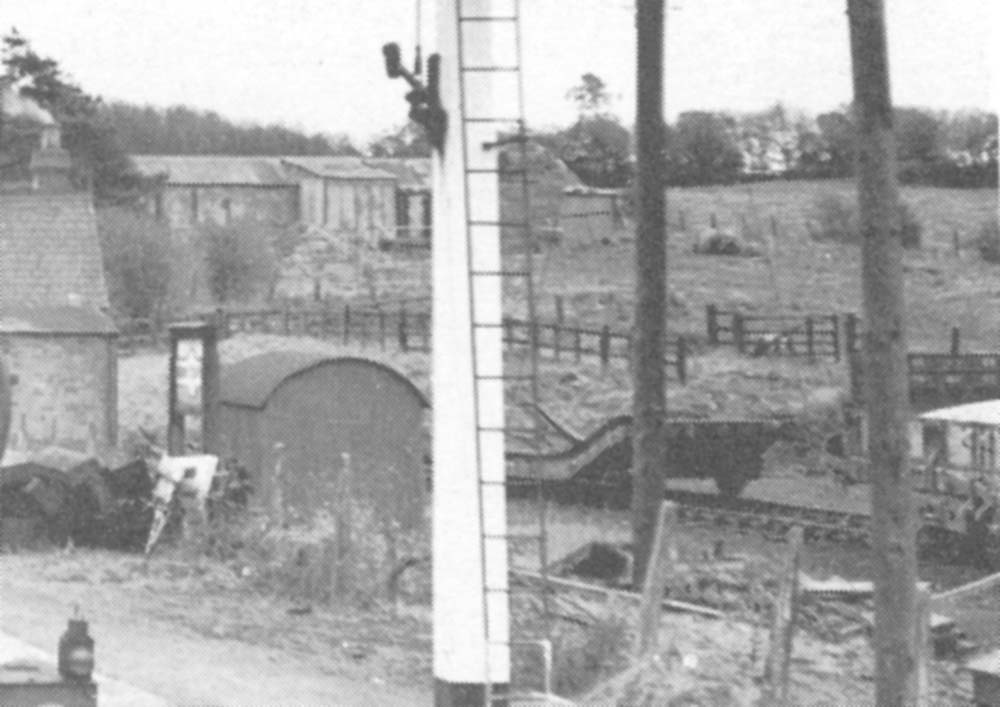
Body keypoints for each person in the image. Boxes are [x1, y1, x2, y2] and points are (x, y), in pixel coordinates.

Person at [961, 477, 997, 569]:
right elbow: (971, 501)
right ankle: (978, 562)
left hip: (984, 517)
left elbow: (989, 502)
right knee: (975, 540)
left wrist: (979, 512)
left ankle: (983, 563)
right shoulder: (973, 489)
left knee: (979, 540)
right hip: (977, 520)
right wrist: (964, 508)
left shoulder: (979, 488)